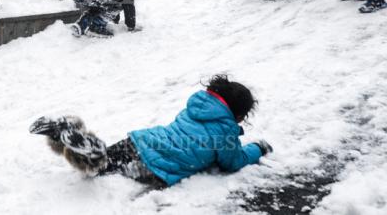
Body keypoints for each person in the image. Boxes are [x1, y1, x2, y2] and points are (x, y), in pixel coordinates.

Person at [30, 75, 271, 188]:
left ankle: (73, 138)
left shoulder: (196, 108)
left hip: (142, 141)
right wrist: (256, 149)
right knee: (102, 168)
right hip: (156, 167)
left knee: (106, 159)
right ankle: (80, 146)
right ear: (238, 113)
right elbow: (232, 162)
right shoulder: (226, 132)